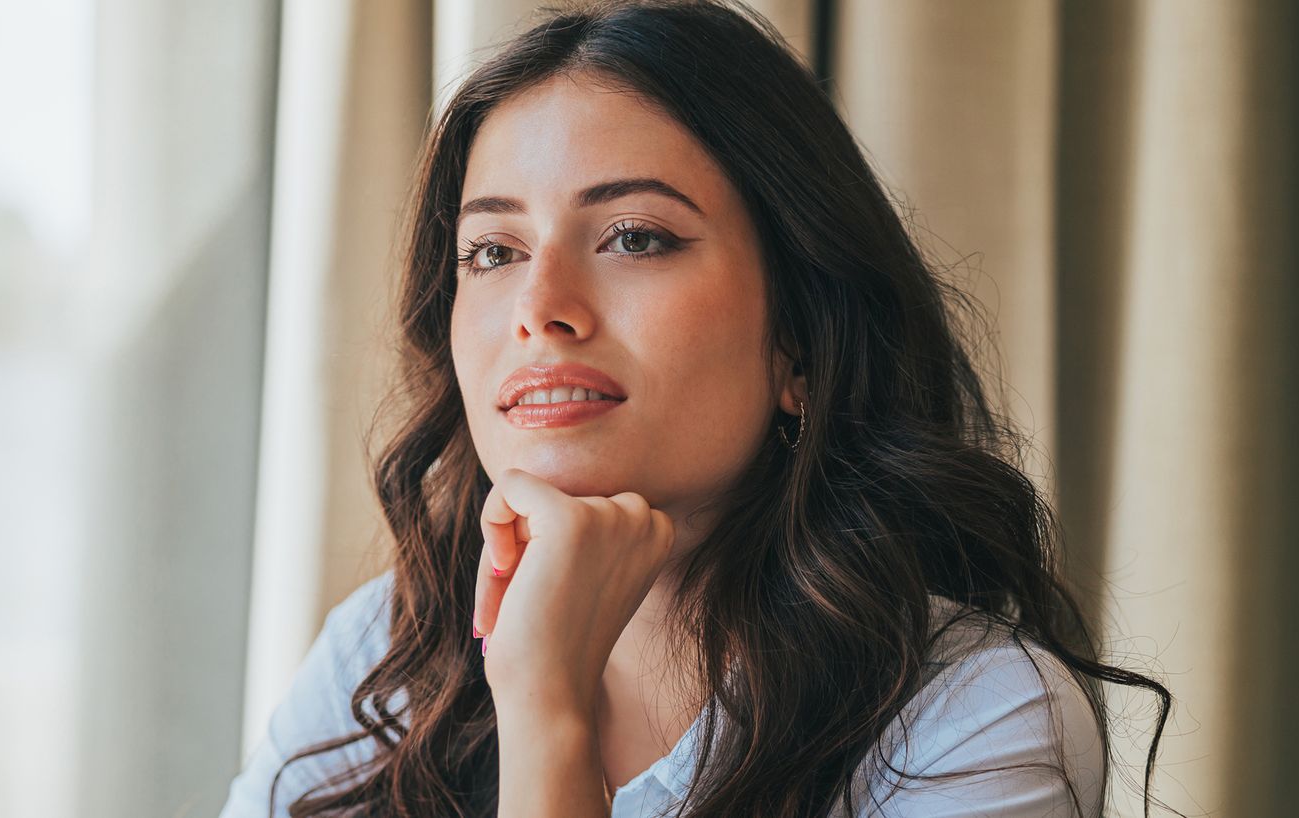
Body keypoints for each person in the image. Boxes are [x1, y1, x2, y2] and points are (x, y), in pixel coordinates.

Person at [219, 1, 1173, 816]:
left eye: (635, 237)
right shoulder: (386, 657)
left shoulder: (967, 713)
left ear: (798, 341)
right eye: (493, 252)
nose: (540, 307)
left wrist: (548, 715)